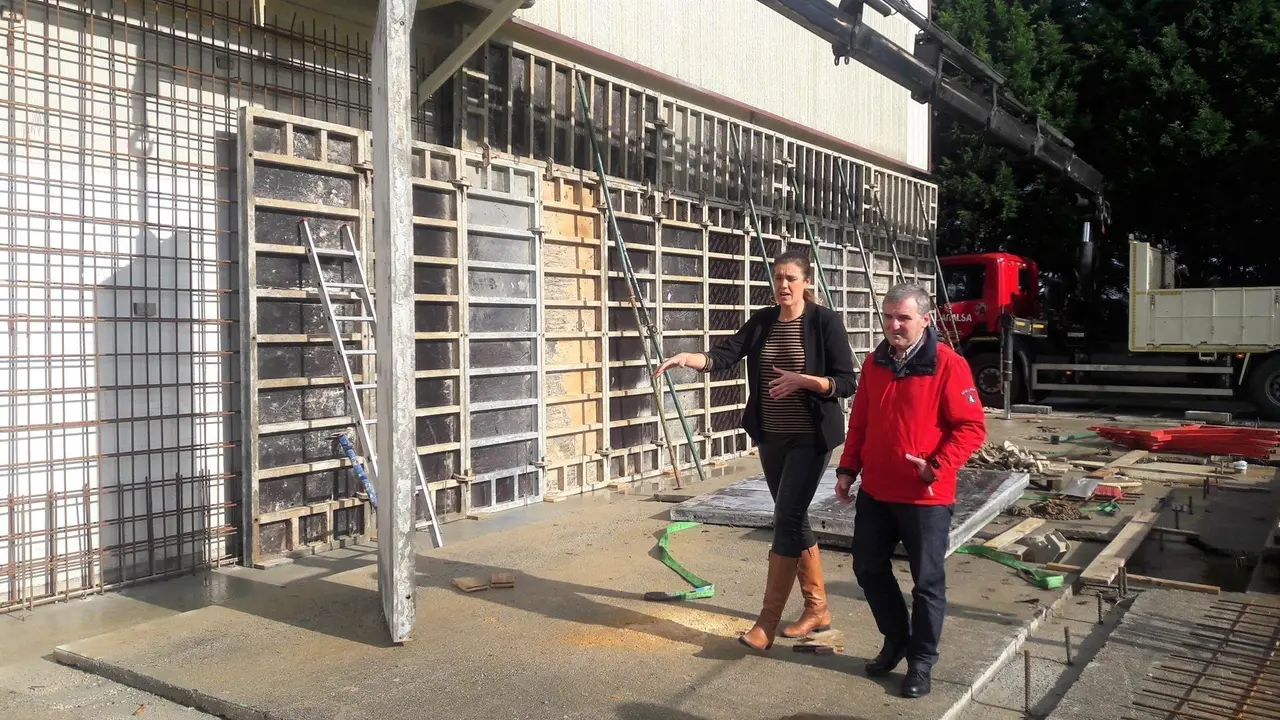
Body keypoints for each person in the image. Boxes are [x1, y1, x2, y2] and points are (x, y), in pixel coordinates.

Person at [653, 249, 857, 652]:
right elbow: (726, 355)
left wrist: (805, 381)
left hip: (810, 438)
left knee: (786, 517)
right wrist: (688, 358)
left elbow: (846, 382)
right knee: (792, 518)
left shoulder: (824, 322)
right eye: (778, 278)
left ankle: (766, 624)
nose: (783, 285)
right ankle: (817, 609)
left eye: (791, 279)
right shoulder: (764, 320)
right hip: (771, 436)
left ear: (807, 282)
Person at [834, 282, 986, 698]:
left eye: (903, 317)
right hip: (877, 491)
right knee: (866, 567)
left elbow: (971, 427)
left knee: (927, 584)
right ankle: (896, 638)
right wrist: (848, 470)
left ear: (925, 319)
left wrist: (935, 466)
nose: (894, 325)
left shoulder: (948, 364)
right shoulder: (874, 364)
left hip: (926, 497)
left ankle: (921, 661)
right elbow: (860, 423)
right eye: (888, 317)